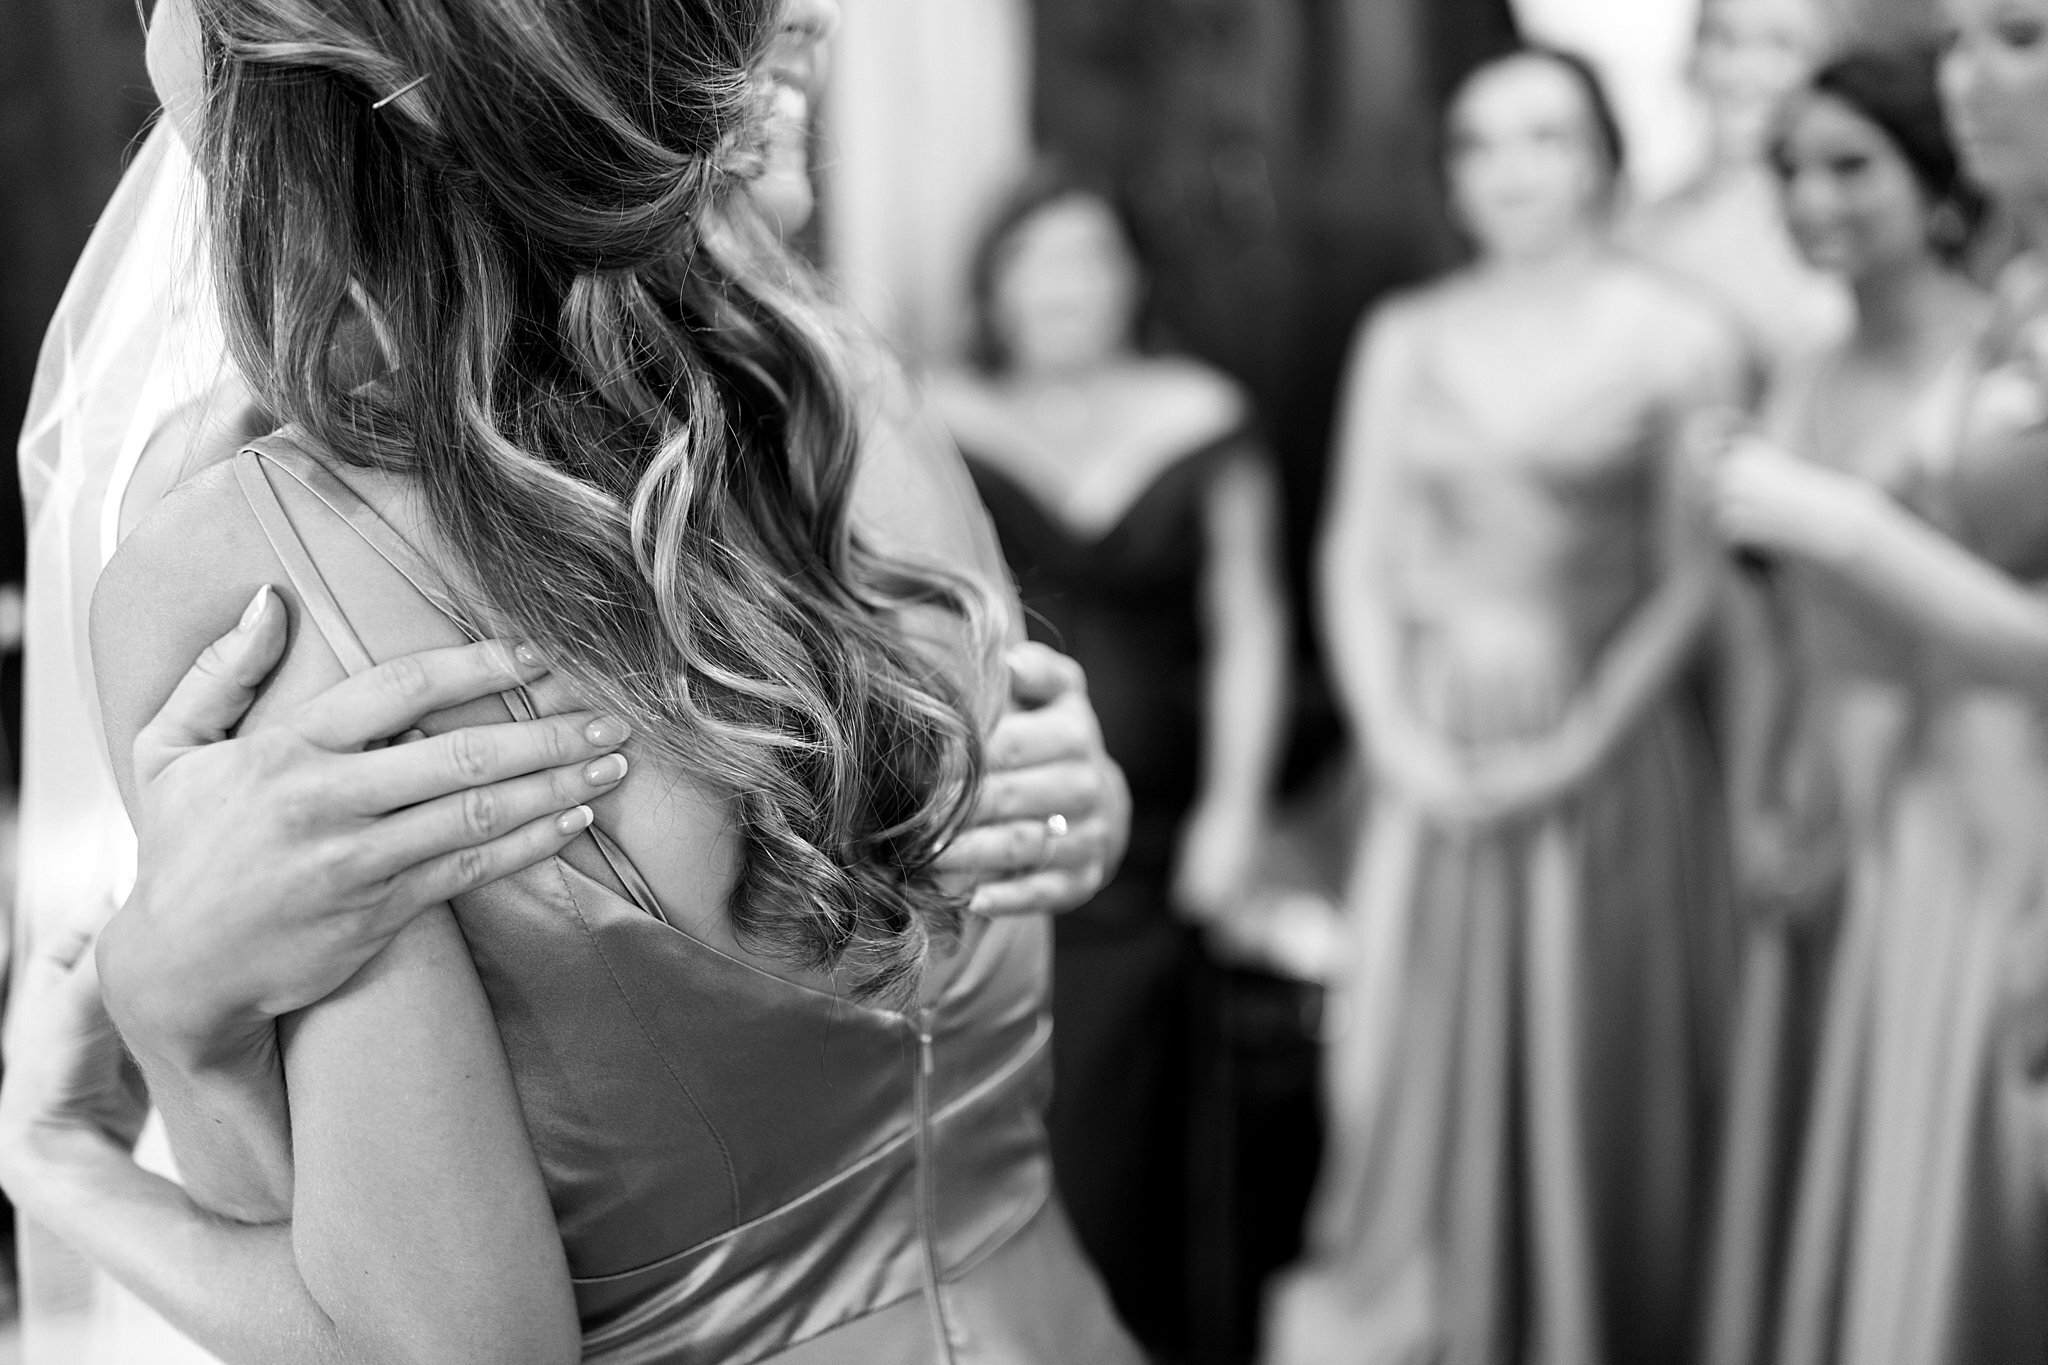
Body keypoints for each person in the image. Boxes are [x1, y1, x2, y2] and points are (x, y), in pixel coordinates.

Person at [0, 0, 1142, 1360]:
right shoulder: (843, 387)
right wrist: (1082, 815)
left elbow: (456, 1348)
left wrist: (74, 1151)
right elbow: (969, 955)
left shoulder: (254, 575)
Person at [1268, 48, 1741, 1365]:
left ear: (1602, 154)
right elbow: (1353, 556)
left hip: (1610, 747)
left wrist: (1580, 745)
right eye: (1480, 144)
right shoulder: (1406, 335)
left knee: (1595, 1064)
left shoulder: (1683, 337)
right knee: (1410, 1077)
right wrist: (1400, 742)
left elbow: (1692, 583)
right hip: (1429, 747)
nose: (1512, 170)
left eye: (1543, 136)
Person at [1709, 8, 2048, 1358]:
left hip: (1976, 787)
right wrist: (1770, 786)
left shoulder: (1991, 335)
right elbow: (1767, 633)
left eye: (2015, 36)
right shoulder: (1819, 361)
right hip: (1841, 785)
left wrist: (1830, 521)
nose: (1812, 200)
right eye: (1792, 168)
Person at [931, 169, 1290, 1350]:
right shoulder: (930, 413)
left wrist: (1238, 812)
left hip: (1167, 829)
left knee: (1152, 1119)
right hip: (993, 819)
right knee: (1031, 1109)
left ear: (1131, 278)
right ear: (994, 284)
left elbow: (1250, 624)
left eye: (1089, 255)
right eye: (1035, 258)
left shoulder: (1199, 413)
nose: (1063, 284)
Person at [1628, 0, 1851, 379]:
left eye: (1780, 44)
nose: (1744, 69)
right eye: (1723, 40)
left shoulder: (1852, 217)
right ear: (1691, 59)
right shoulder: (1640, 227)